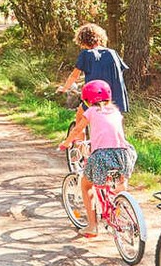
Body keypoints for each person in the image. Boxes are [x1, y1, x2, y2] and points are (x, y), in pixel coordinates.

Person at [59, 80, 137, 238]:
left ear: (87, 100)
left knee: (86, 185)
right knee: (118, 184)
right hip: (123, 153)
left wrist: (66, 143)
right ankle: (120, 207)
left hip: (101, 156)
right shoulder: (115, 111)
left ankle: (92, 226)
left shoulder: (91, 112)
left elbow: (77, 130)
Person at [57, 23, 130, 117]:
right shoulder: (113, 53)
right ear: (100, 38)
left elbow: (74, 76)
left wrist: (64, 88)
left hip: (94, 98)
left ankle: (79, 132)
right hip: (114, 99)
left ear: (82, 40)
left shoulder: (86, 54)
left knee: (80, 116)